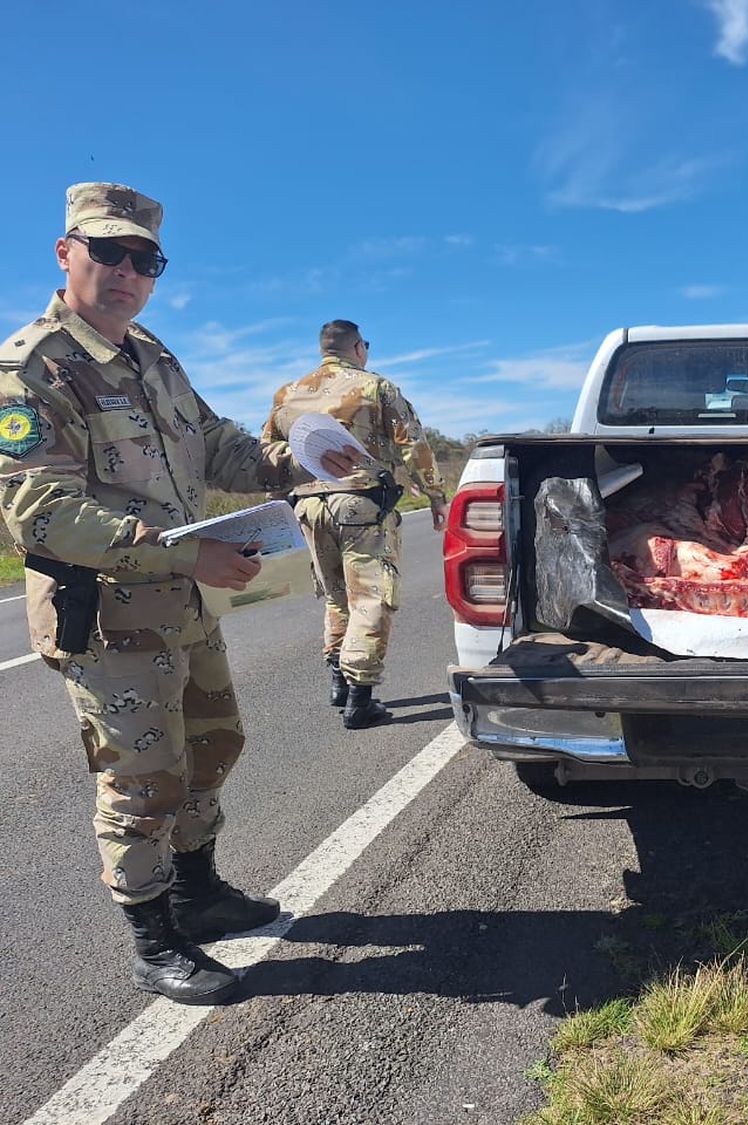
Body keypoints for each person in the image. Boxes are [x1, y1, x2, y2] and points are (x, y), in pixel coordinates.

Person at [0, 183, 359, 1004]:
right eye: (109, 251)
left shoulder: (153, 356)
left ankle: (199, 893)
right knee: (143, 775)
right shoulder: (32, 368)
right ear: (66, 253)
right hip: (108, 618)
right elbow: (39, 512)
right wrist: (186, 552)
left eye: (146, 258)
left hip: (185, 607)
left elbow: (218, 443)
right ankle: (153, 939)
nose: (127, 270)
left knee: (214, 745)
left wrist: (293, 459)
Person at [262, 320, 448, 729]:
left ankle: (339, 684)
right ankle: (360, 699)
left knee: (335, 597)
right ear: (359, 348)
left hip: (307, 506)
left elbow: (268, 451)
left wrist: (277, 507)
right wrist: (435, 495)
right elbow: (412, 444)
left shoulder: (288, 394)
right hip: (360, 503)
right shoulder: (374, 387)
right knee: (371, 597)